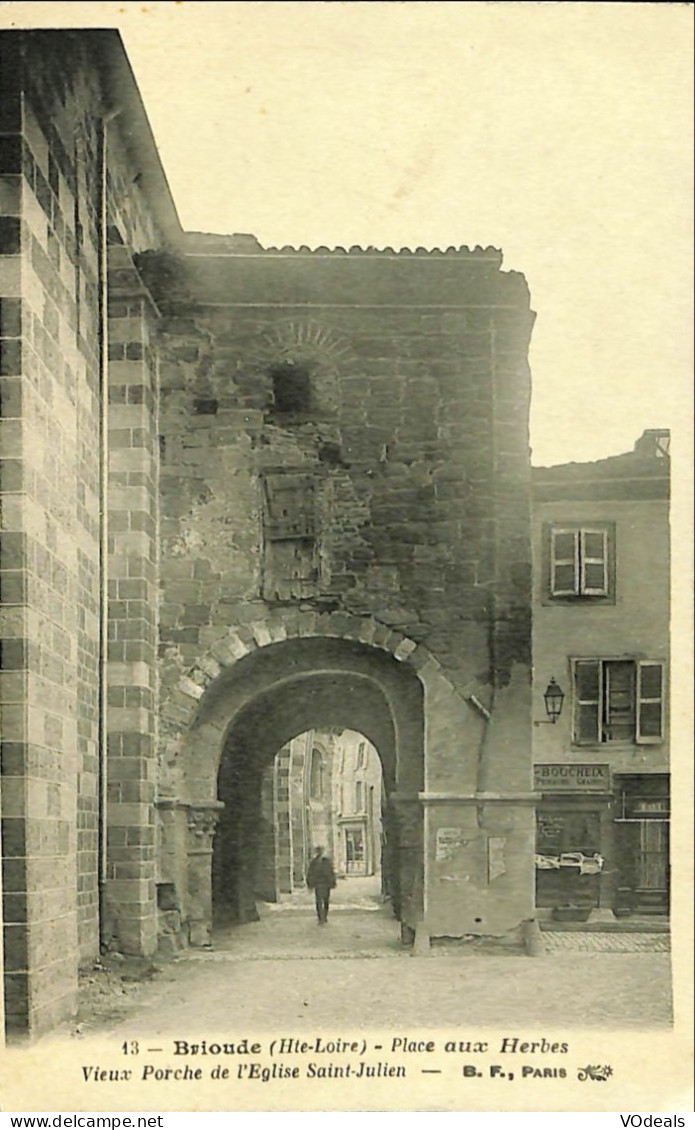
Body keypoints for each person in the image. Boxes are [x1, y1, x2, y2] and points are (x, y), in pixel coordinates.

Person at [306, 846, 336, 925]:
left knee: (326, 900)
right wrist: (310, 884)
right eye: (318, 851)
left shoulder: (327, 861)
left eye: (321, 851)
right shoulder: (313, 862)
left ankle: (325, 916)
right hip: (318, 883)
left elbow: (331, 872)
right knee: (319, 900)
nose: (320, 853)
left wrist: (333, 882)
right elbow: (310, 873)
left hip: (326, 883)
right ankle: (320, 917)